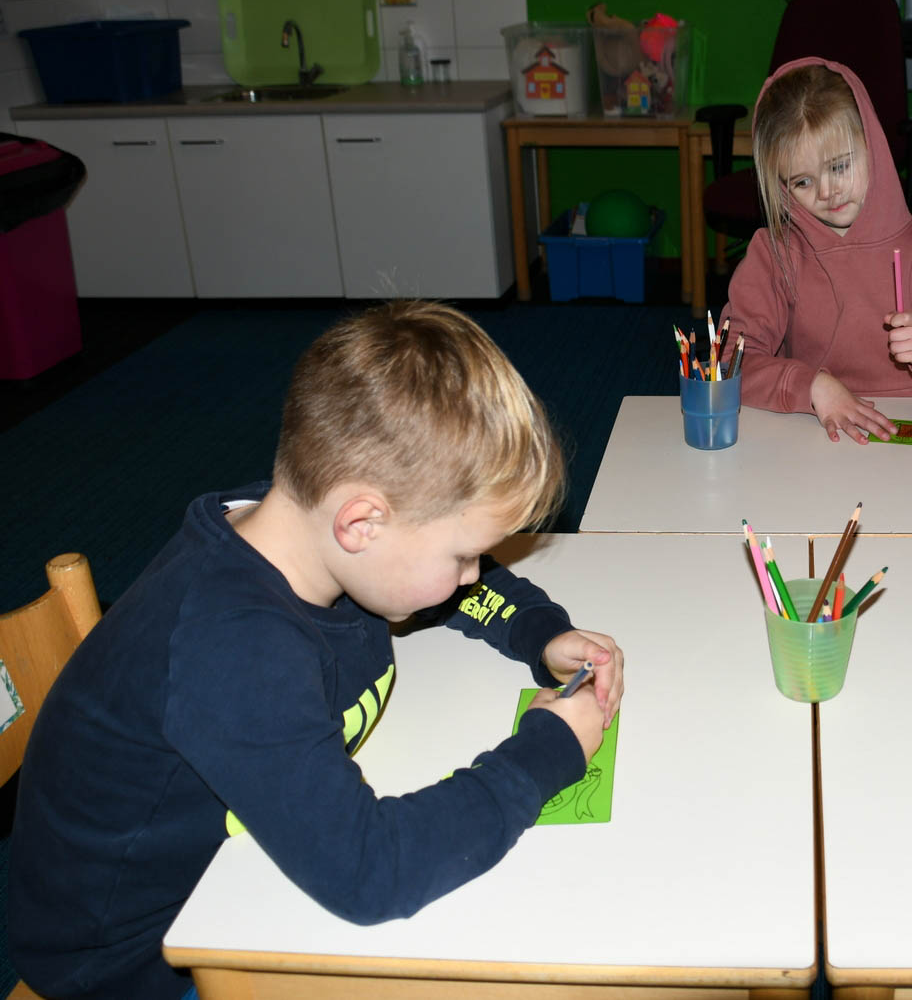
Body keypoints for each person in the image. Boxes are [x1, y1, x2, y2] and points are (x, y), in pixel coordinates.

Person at [9, 301, 624, 1000]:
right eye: (464, 554)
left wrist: (540, 632)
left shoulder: (308, 535)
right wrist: (546, 752)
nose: (472, 575)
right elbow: (371, 871)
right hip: (134, 962)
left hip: (235, 871)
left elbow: (445, 591)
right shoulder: (234, 651)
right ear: (361, 523)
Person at [719, 58, 912, 444]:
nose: (827, 192)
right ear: (781, 185)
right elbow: (729, 363)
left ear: (874, 148)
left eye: (840, 166)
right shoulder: (773, 254)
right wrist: (810, 386)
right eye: (802, 182)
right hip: (813, 431)